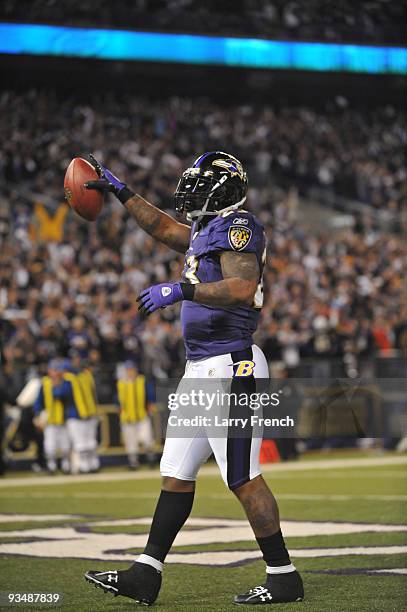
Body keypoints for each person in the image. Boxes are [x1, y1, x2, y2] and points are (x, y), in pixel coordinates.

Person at [84, 152, 304, 605]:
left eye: (201, 183)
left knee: (242, 476)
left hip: (232, 365)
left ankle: (283, 576)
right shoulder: (206, 230)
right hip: (201, 367)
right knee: (176, 476)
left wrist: (181, 289)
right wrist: (122, 191)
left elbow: (242, 288)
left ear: (225, 190)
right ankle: (146, 574)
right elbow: (164, 228)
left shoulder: (240, 226)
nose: (191, 190)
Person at [33, 359, 70, 474]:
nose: (55, 373)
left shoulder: (66, 382)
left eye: (57, 370)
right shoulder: (44, 383)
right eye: (53, 370)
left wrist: (57, 387)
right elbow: (38, 401)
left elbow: (63, 396)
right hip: (50, 420)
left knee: (65, 445)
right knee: (50, 445)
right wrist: (38, 414)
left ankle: (66, 465)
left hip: (64, 418)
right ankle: (51, 466)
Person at [116, 360, 155, 470]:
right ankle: (133, 462)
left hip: (141, 415)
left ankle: (151, 459)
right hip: (127, 417)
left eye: (131, 369)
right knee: (131, 442)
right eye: (128, 370)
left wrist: (150, 405)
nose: (130, 372)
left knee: (147, 439)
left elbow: (150, 395)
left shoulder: (142, 380)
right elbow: (117, 400)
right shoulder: (121, 383)